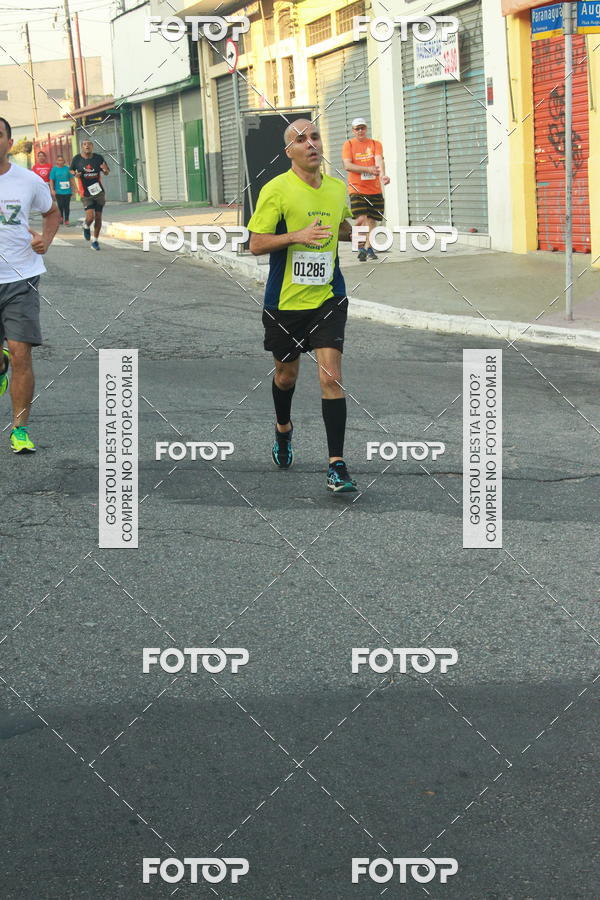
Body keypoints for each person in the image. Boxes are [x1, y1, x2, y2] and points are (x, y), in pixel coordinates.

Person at [248, 118, 357, 493]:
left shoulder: (337, 189)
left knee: (331, 376)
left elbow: (342, 228)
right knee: (286, 376)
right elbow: (256, 244)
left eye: (314, 136)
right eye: (300, 139)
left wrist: (359, 229)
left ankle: (337, 465)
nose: (310, 143)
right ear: (289, 152)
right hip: (285, 303)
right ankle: (283, 429)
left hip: (327, 296)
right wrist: (298, 236)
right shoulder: (276, 190)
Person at [0, 117, 60, 452]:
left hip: (20, 278)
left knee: (21, 353)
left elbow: (52, 213)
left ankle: (19, 428)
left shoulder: (27, 181)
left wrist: (47, 240)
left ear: (10, 142)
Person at [342, 118, 390, 262]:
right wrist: (367, 169)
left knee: (372, 221)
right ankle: (360, 246)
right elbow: (347, 165)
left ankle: (368, 248)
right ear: (353, 131)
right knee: (361, 219)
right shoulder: (349, 144)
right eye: (357, 129)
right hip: (356, 188)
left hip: (374, 189)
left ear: (366, 129)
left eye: (362, 128)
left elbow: (379, 161)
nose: (360, 131)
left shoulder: (375, 144)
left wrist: (383, 176)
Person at [70, 139, 109, 250]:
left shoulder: (98, 158)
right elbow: (71, 170)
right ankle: (86, 226)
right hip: (85, 193)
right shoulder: (77, 159)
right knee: (90, 217)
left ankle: (95, 241)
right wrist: (75, 175)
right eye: (84, 144)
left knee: (98, 217)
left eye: (89, 144)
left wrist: (105, 170)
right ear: (82, 147)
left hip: (99, 192)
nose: (87, 146)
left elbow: (106, 172)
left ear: (92, 147)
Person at [49, 154, 75, 225]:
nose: (60, 162)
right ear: (56, 161)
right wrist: (52, 190)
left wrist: (76, 188)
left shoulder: (67, 169)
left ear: (64, 161)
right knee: (60, 205)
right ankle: (61, 217)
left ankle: (67, 219)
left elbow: (71, 179)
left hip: (67, 191)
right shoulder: (54, 169)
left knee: (66, 206)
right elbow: (51, 180)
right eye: (59, 160)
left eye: (62, 160)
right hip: (58, 191)